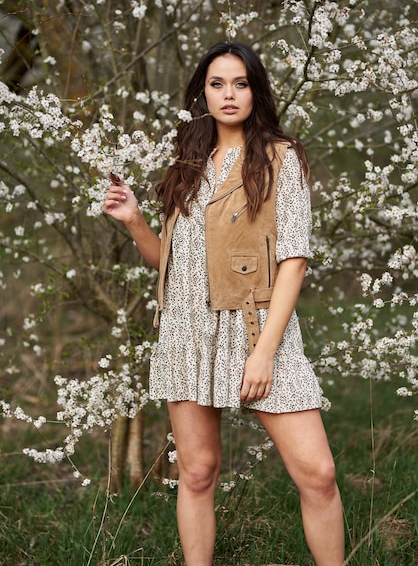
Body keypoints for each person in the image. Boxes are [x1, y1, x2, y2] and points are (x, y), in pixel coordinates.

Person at [104, 42, 345, 566]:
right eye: (217, 84)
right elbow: (172, 265)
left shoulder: (282, 158)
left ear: (256, 91)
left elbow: (294, 260)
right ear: (203, 94)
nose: (229, 94)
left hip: (258, 331)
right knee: (196, 471)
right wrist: (136, 222)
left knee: (318, 474)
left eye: (240, 83)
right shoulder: (188, 164)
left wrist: (263, 355)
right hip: (186, 332)